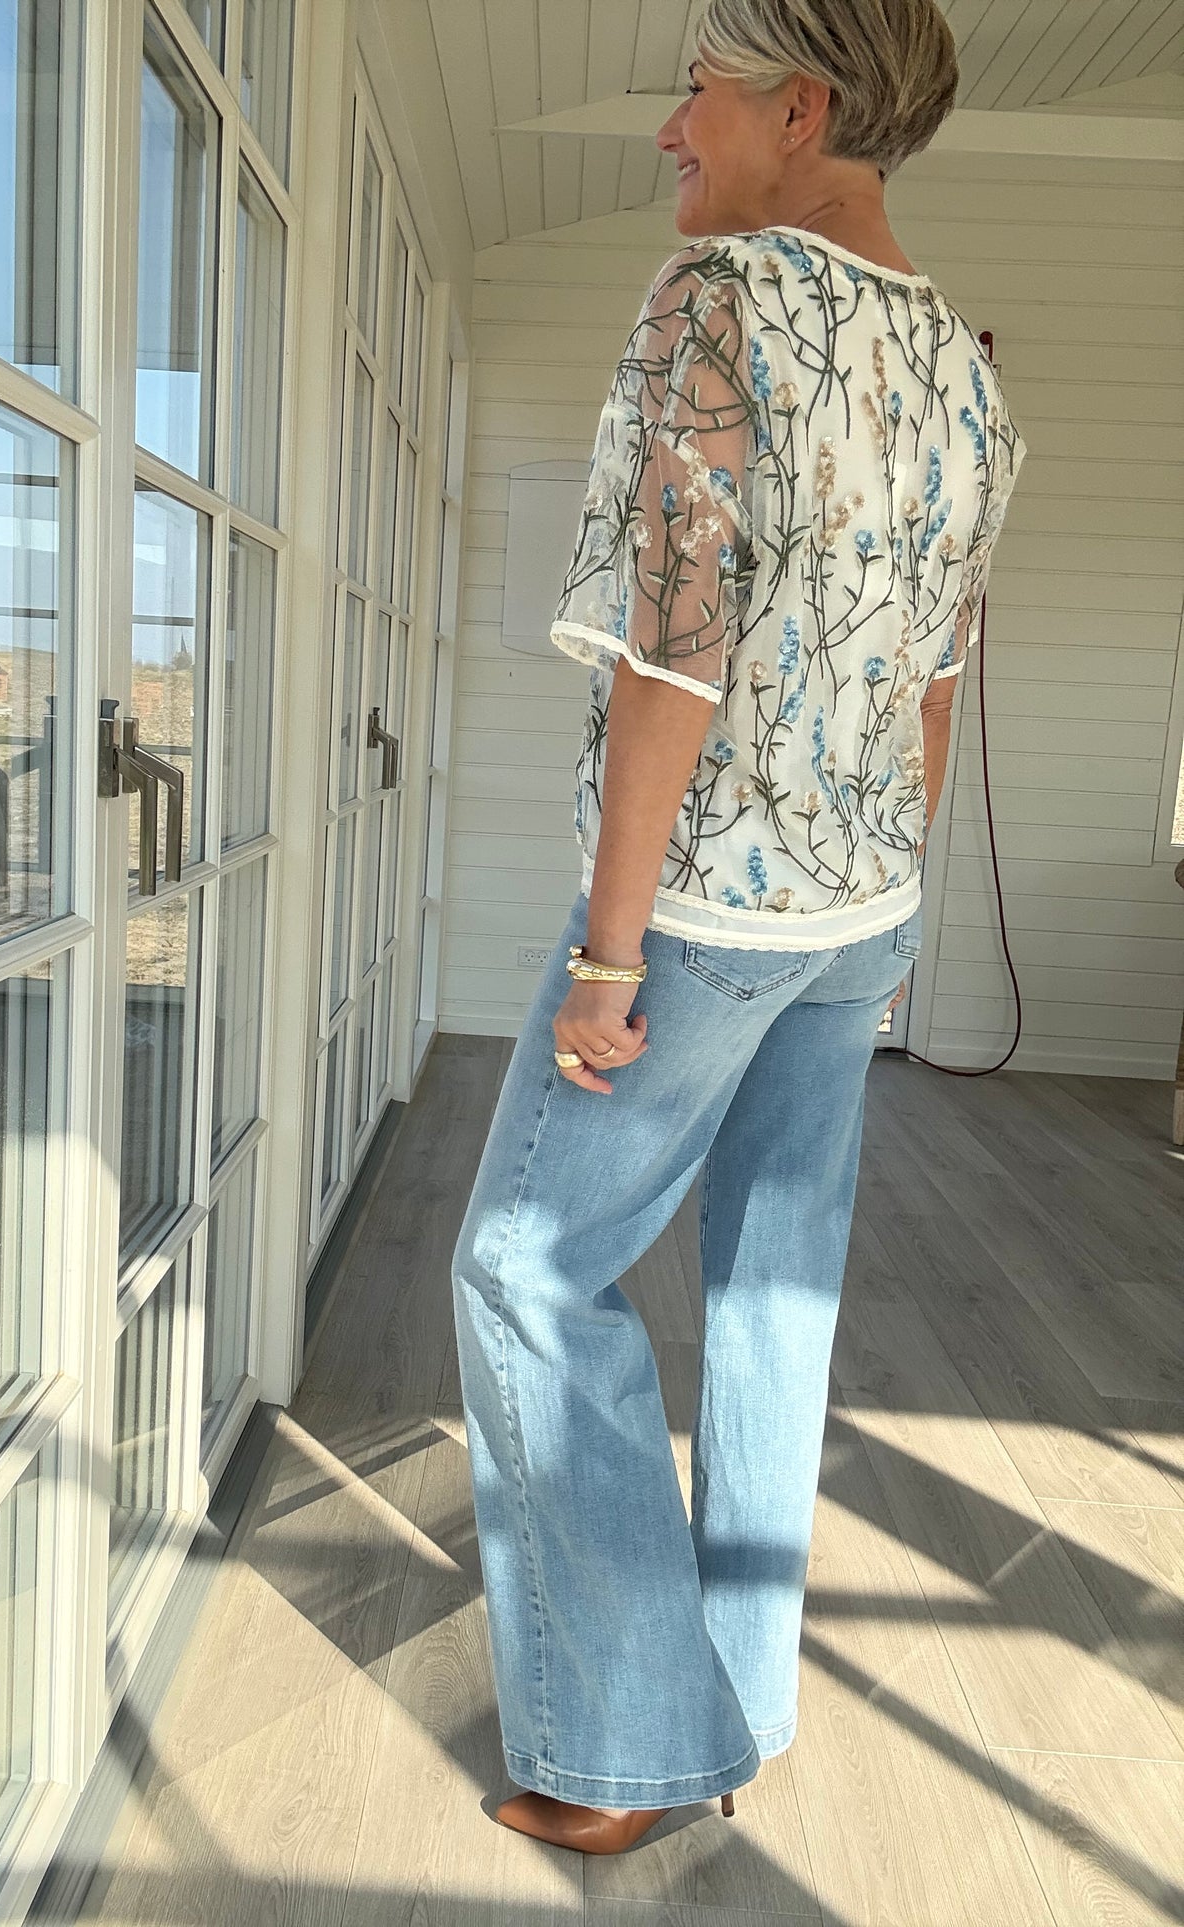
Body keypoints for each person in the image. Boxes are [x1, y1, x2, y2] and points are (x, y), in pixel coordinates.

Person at [451, 0, 1024, 1857]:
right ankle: (737, 1710)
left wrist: (609, 950)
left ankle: (625, 1745)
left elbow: (673, 650)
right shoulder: (963, 367)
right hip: (860, 912)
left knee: (523, 1272)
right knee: (777, 1298)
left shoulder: (719, 303)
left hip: (708, 907)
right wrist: (891, 909)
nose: (667, 130)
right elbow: (934, 678)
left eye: (695, 89)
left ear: (801, 105)